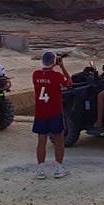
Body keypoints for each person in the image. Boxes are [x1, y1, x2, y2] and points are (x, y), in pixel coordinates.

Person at [32, 51, 72, 179]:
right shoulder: (56, 76)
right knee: (59, 140)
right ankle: (59, 168)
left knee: (41, 141)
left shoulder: (35, 75)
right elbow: (68, 83)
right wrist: (62, 66)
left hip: (40, 113)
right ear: (54, 62)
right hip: (55, 112)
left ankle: (41, 170)